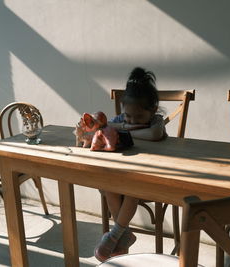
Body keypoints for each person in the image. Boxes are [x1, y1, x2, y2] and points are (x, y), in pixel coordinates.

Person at [94, 67, 167, 262]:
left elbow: (154, 135)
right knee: (107, 184)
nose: (132, 121)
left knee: (132, 187)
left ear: (152, 110)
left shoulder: (156, 122)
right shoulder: (121, 119)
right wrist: (120, 125)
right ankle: (123, 234)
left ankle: (118, 234)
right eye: (128, 117)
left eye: (138, 117)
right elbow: (102, 129)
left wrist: (124, 128)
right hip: (120, 176)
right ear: (123, 109)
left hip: (148, 178)